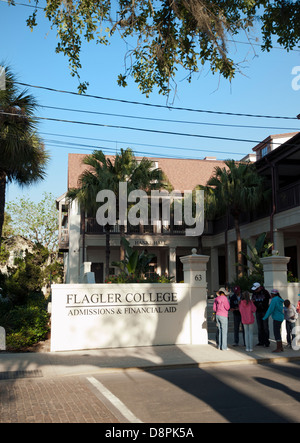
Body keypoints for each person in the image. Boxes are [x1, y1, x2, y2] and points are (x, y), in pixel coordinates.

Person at [251, 282, 270, 347]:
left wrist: (261, 304)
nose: (255, 291)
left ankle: (266, 341)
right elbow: (253, 301)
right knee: (259, 327)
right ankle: (261, 341)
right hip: (258, 311)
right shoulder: (254, 293)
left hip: (264, 311)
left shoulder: (265, 292)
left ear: (259, 287)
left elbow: (268, 300)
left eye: (256, 289)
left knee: (265, 327)